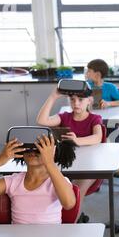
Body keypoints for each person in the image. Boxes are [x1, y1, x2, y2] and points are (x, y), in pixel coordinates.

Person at [0, 134, 77, 224]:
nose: (32, 151)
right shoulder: (13, 181)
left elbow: (69, 204)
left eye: (39, 148)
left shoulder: (58, 182)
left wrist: (49, 162)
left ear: (53, 152)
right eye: (28, 147)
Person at [36, 88, 103, 222]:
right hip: (64, 165)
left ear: (89, 101)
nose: (76, 103)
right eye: (72, 99)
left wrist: (76, 140)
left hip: (88, 168)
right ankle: (50, 219)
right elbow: (41, 121)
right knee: (45, 186)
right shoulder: (64, 116)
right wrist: (53, 96)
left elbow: (98, 137)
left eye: (80, 100)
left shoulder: (95, 118)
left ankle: (70, 225)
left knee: (76, 191)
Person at [85, 58, 119, 185]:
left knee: (115, 147)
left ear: (97, 74)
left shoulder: (110, 87)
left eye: (89, 71)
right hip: (91, 126)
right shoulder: (85, 86)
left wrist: (109, 103)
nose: (87, 73)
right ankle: (96, 176)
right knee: (92, 150)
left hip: (109, 125)